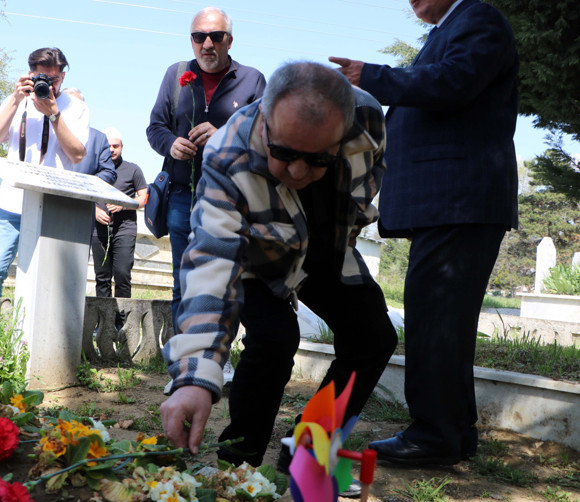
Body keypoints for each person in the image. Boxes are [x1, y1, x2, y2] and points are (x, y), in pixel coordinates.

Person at [159, 62, 397, 477]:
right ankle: (238, 467)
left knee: (373, 337)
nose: (299, 172)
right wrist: (195, 376)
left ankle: (309, 449)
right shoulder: (227, 154)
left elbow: (369, 178)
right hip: (255, 250)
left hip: (326, 244)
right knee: (274, 339)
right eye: (284, 154)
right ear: (265, 124)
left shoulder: (368, 118)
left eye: (318, 159)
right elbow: (211, 262)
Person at [329, 0, 519, 466]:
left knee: (436, 319)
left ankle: (434, 435)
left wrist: (371, 76)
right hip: (450, 204)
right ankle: (453, 432)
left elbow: (452, 83)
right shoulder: (447, 30)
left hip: (459, 199)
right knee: (443, 320)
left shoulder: (478, 18)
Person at [146, 6, 266, 333]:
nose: (207, 44)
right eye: (199, 37)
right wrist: (171, 144)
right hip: (181, 197)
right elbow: (155, 128)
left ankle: (214, 354)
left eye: (216, 36)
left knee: (220, 282)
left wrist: (224, 137)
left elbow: (266, 140)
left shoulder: (253, 80)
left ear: (230, 40)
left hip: (229, 201)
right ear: (191, 40)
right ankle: (185, 356)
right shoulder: (175, 74)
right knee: (182, 282)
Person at [0, 47, 89, 297]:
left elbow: (77, 154)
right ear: (30, 75)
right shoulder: (16, 100)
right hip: (11, 202)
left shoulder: (76, 108)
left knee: (47, 281)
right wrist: (16, 99)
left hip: (53, 205)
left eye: (55, 79)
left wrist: (54, 115)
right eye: (43, 78)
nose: (49, 84)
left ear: (63, 76)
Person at [90, 127, 148, 325]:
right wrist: (94, 211)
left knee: (122, 274)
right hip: (98, 229)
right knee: (102, 277)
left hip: (125, 229)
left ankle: (121, 323)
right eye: (108, 146)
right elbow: (82, 193)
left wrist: (124, 204)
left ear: (122, 146)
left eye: (116, 146)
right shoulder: (94, 169)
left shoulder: (133, 169)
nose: (112, 149)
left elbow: (144, 198)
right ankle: (103, 323)